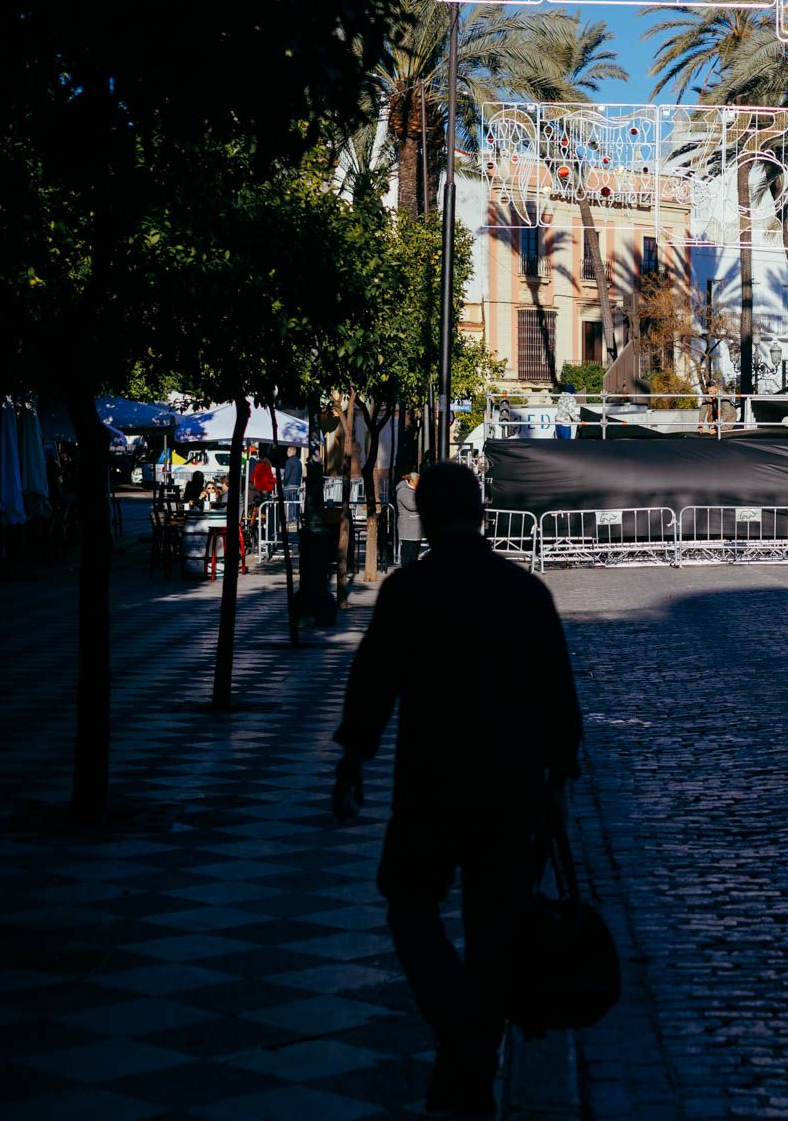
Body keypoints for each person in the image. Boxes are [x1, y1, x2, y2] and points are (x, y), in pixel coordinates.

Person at [334, 462, 581, 1118]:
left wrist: (352, 760)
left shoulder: (410, 590)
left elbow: (374, 679)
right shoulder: (523, 592)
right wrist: (559, 779)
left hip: (431, 784)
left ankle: (459, 1033)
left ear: (427, 516)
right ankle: (475, 1034)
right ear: (480, 512)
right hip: (510, 787)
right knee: (494, 922)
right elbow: (559, 695)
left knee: (409, 904)